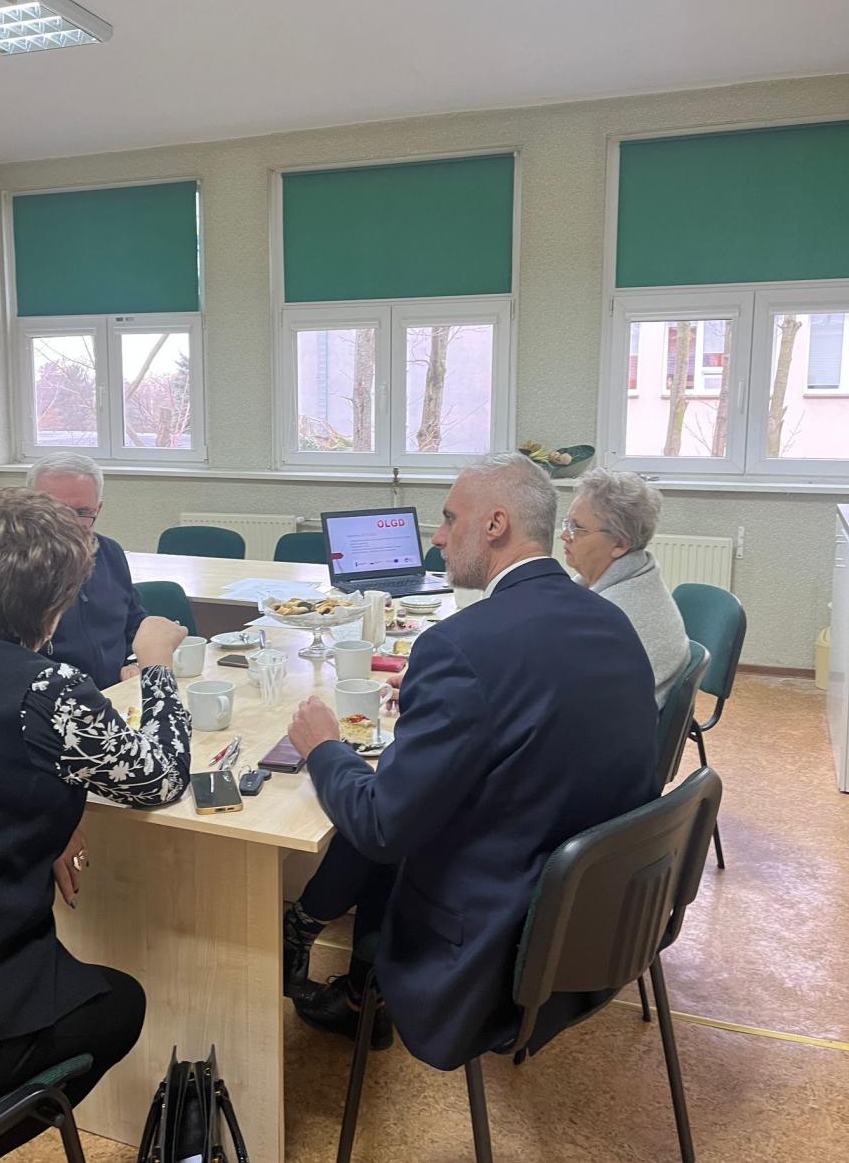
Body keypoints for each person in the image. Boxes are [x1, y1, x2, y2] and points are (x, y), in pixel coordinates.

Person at [284, 453, 659, 1070]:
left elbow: (380, 826)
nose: (437, 537)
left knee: (380, 830)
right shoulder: (611, 620)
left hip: (491, 950)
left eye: (449, 518)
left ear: (495, 525)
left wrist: (323, 746)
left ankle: (333, 968)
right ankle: (338, 972)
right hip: (596, 924)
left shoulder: (460, 646)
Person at [0, 487, 192, 1147]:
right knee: (119, 1005)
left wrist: (50, 808)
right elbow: (159, 777)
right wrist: (158, 666)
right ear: (55, 606)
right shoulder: (45, 688)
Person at [562, 468, 690, 706]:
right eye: (567, 523)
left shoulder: (612, 616)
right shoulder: (637, 576)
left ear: (620, 544)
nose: (564, 535)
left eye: (577, 528)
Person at [26, 452, 148, 690]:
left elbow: (134, 623)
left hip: (116, 693)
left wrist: (134, 661)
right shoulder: (9, 568)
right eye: (55, 511)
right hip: (50, 699)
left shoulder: (109, 553)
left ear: (98, 509)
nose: (68, 523)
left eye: (82, 513)